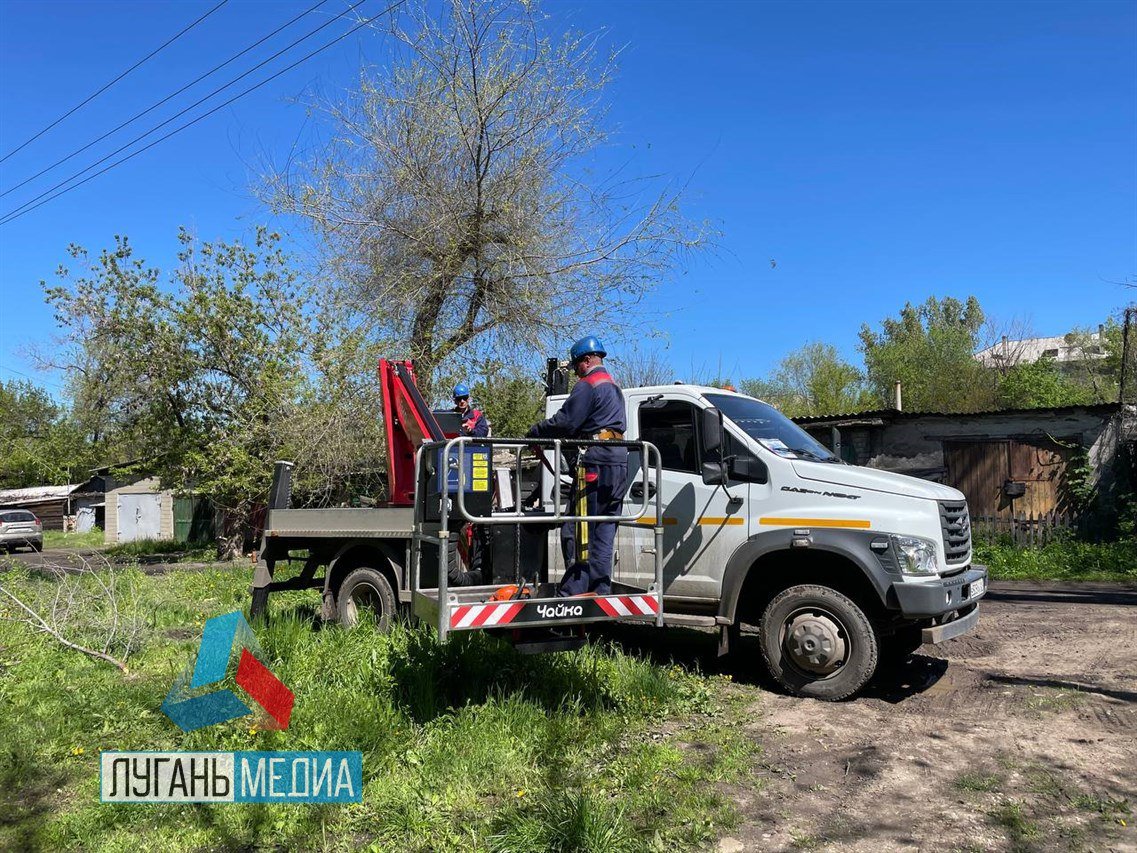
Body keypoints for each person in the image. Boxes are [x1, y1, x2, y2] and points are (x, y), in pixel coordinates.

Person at [526, 335, 627, 597]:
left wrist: (536, 432)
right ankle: (600, 589)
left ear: (585, 360)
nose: (575, 372)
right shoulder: (614, 388)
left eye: (576, 366)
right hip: (618, 461)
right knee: (604, 529)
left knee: (577, 528)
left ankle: (574, 591)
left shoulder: (588, 385)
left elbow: (566, 422)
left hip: (595, 462)